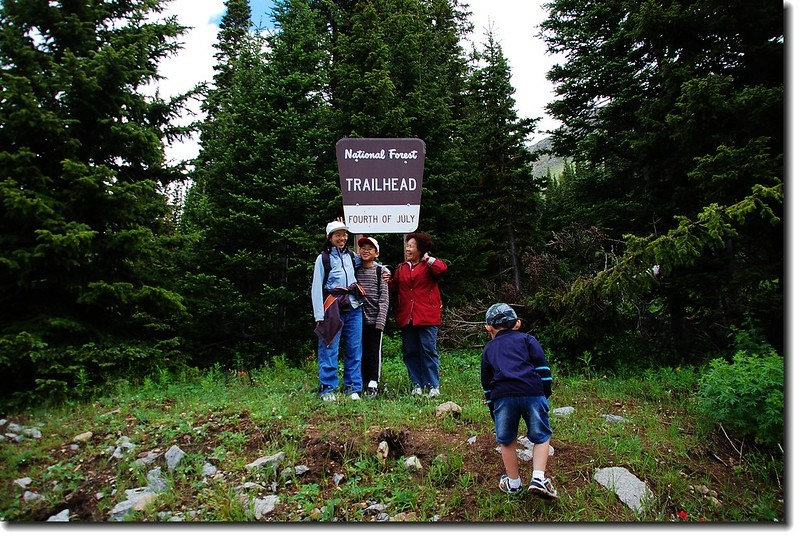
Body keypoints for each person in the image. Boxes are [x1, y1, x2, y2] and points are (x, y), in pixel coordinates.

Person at [480, 302, 558, 499]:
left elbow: (487, 383)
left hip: (503, 397)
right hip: (532, 392)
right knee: (541, 436)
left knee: (506, 441)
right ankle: (538, 478)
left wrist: (493, 407)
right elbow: (544, 371)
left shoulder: (489, 349)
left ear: (488, 327)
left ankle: (514, 483)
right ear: (517, 323)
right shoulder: (527, 340)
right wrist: (543, 394)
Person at [311, 220, 365, 401]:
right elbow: (316, 287)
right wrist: (319, 315)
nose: (342, 238)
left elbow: (368, 262)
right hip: (332, 307)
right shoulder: (323, 259)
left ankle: (353, 387)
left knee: (354, 348)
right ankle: (328, 388)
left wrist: (384, 270)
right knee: (329, 346)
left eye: (344, 234)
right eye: (338, 235)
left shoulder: (351, 256)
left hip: (353, 306)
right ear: (330, 237)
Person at [389, 232, 447, 397]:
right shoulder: (402, 268)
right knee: (410, 352)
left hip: (427, 316)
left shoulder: (429, 265)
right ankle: (417, 385)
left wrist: (428, 259)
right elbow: (395, 288)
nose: (407, 249)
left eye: (411, 246)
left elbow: (442, 269)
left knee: (428, 350)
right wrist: (388, 280)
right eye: (407, 245)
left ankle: (433, 386)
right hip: (407, 316)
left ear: (420, 248)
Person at [355, 236, 390, 398]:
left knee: (373, 351)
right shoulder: (354, 269)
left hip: (375, 319)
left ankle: (373, 382)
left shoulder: (380, 271)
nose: (366, 251)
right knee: (358, 351)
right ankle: (360, 381)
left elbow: (384, 298)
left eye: (370, 248)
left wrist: (381, 320)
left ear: (377, 253)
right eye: (363, 248)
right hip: (357, 320)